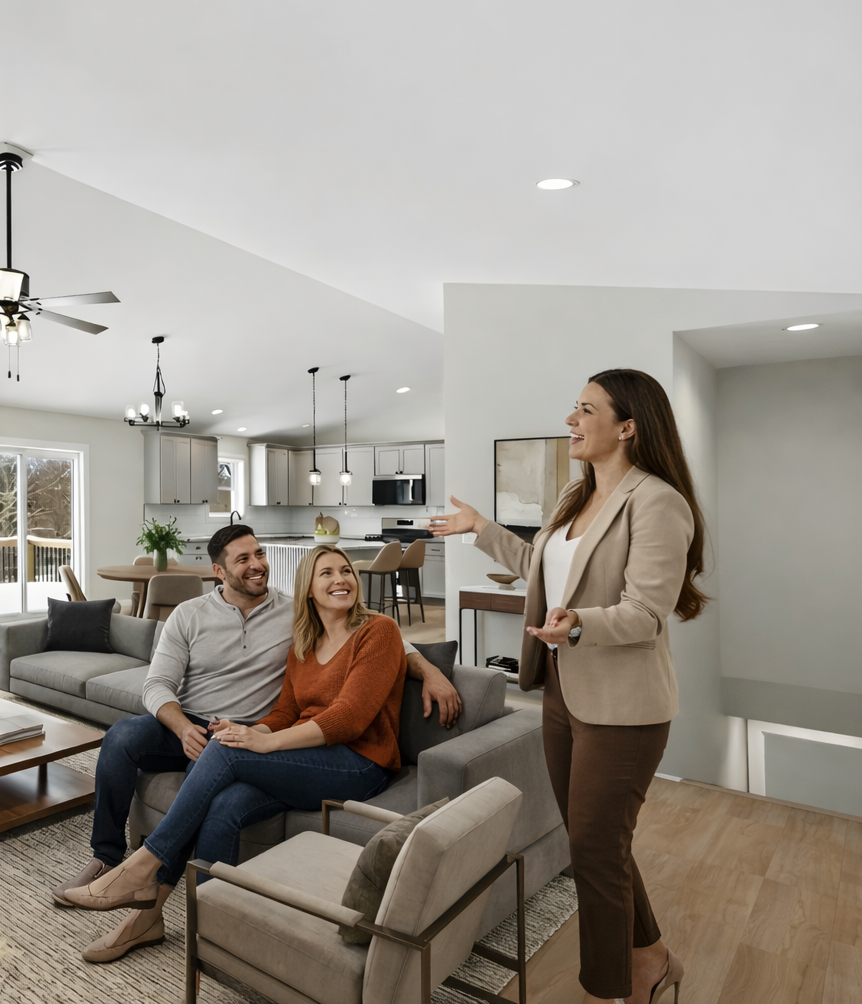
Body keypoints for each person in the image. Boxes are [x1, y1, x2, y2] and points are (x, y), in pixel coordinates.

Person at [428, 368, 701, 1004]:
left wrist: (578, 627)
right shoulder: (572, 500)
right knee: (594, 841)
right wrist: (481, 529)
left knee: (597, 849)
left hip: (624, 707)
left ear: (627, 426)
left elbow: (645, 614)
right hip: (561, 695)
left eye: (584, 410)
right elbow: (540, 571)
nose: (571, 420)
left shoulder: (658, 502)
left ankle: (612, 987)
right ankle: (654, 955)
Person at [61, 543, 411, 961]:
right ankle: (198, 928)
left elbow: (350, 718)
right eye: (327, 574)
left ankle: (142, 867)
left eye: (346, 572)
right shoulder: (304, 639)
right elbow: (286, 710)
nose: (341, 581)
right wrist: (250, 731)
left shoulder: (379, 630)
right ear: (308, 590)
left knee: (225, 752)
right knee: (224, 803)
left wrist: (264, 741)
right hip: (305, 759)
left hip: (360, 764)